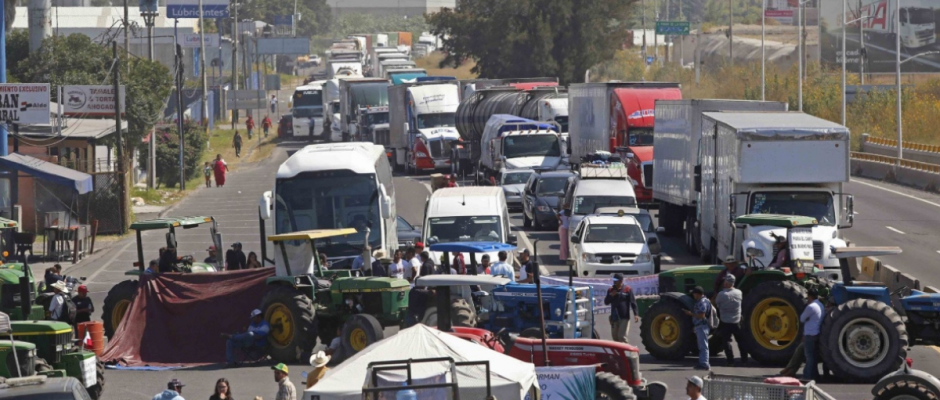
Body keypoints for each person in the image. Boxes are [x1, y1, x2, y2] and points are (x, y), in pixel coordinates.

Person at [715, 274, 748, 366]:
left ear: (726, 283)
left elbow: (717, 304)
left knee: (727, 342)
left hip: (725, 321)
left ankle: (730, 361)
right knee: (740, 341)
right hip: (737, 321)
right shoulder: (739, 292)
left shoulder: (721, 294)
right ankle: (744, 359)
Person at [604, 273, 639, 343]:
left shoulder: (627, 289)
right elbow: (606, 302)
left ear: (621, 281)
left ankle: (627, 352)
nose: (614, 282)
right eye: (613, 280)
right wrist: (611, 295)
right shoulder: (610, 290)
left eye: (616, 280)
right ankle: (618, 353)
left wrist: (636, 314)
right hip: (614, 317)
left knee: (621, 337)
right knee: (615, 338)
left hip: (624, 317)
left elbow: (633, 302)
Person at [684, 286, 711, 370]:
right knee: (702, 346)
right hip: (700, 326)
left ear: (698, 294)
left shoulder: (702, 302)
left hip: (702, 326)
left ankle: (704, 364)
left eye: (694, 293)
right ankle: (703, 363)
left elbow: (702, 315)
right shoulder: (702, 301)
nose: (693, 295)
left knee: (703, 346)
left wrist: (690, 314)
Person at [800, 288, 824, 380]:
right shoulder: (820, 305)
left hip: (810, 334)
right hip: (816, 333)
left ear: (810, 296)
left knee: (809, 356)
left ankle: (807, 376)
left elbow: (802, 318)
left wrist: (807, 318)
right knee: (813, 356)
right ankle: (815, 375)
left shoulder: (811, 306)